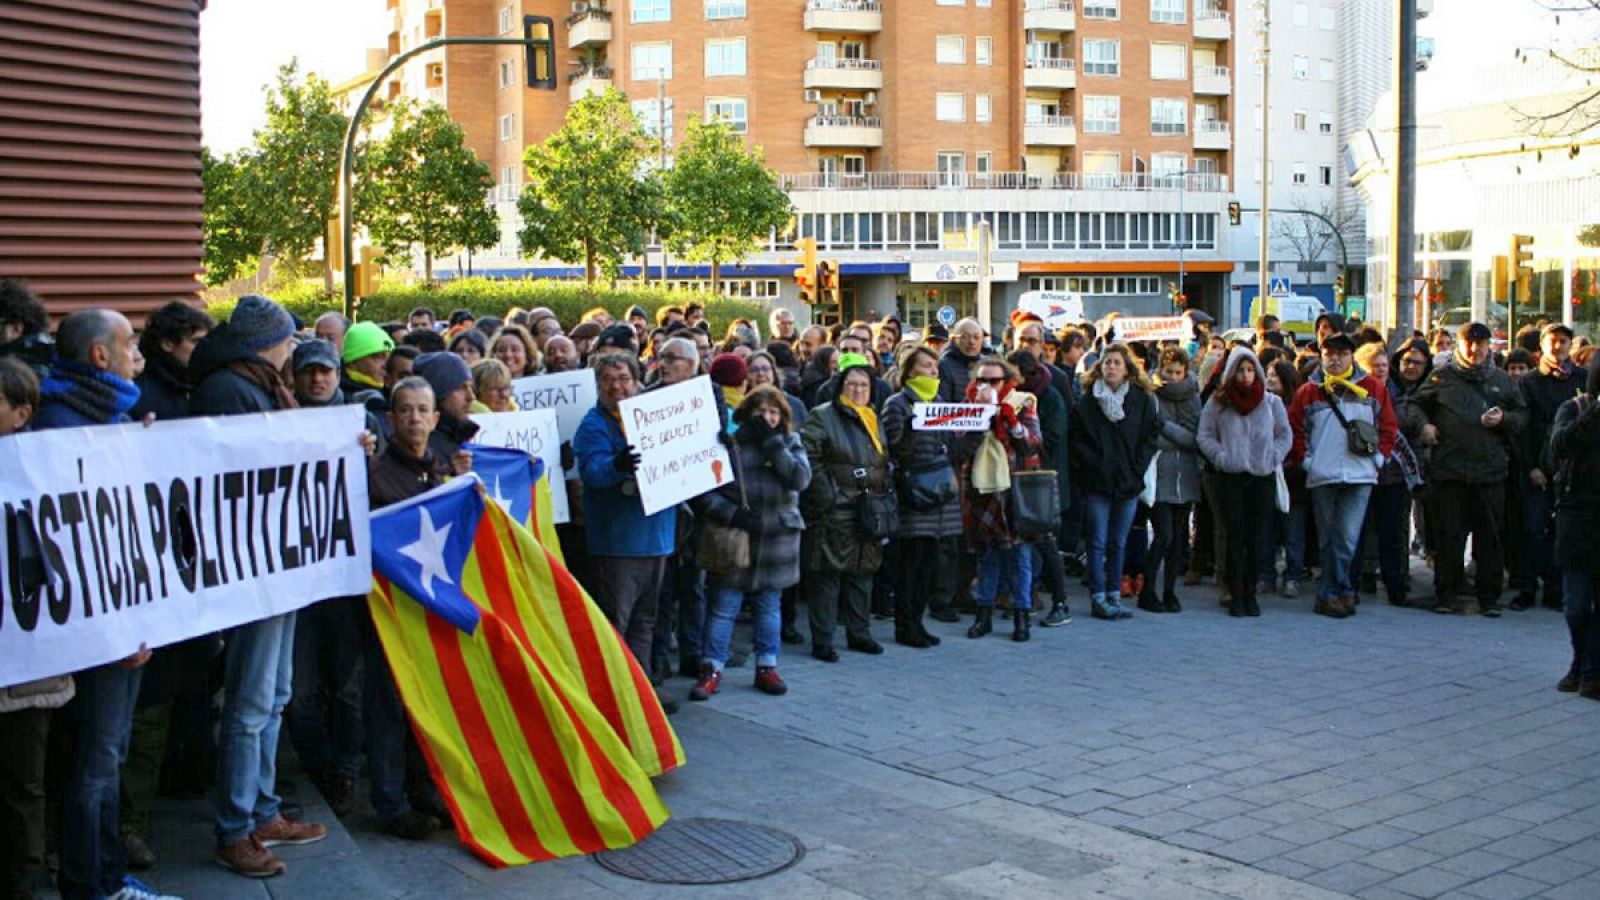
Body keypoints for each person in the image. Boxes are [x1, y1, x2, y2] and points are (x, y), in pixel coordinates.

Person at [33, 312, 179, 900]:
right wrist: (116, 628)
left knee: (105, 759)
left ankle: (108, 876)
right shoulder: (61, 426)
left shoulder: (108, 417)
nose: (136, 353)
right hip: (98, 631)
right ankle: (91, 886)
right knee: (94, 764)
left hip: (121, 624)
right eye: (128, 343)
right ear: (99, 356)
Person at [187, 297, 329, 878]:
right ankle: (236, 827)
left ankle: (263, 809)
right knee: (249, 702)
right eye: (287, 338)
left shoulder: (256, 384)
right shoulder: (231, 390)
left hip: (278, 562)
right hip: (254, 568)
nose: (294, 347)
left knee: (273, 694)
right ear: (265, 341)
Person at [365, 377, 471, 839]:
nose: (413, 418)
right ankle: (391, 804)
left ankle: (425, 790)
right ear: (391, 419)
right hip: (386, 615)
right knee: (387, 708)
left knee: (428, 705)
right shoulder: (371, 473)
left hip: (430, 614)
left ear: (434, 418)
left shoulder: (445, 471)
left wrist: (465, 485)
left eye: (421, 410)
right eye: (404, 410)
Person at [0, 359, 81, 900]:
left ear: (22, 413)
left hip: (28, 670)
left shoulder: (47, 472)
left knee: (22, 783)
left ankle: (24, 877)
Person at [689, 387, 811, 700]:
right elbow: (705, 493)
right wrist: (731, 515)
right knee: (724, 607)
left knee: (769, 607)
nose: (767, 418)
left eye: (774, 413)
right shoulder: (730, 447)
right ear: (747, 414)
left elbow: (800, 479)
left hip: (776, 540)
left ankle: (766, 666)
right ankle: (712, 667)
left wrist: (773, 446)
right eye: (761, 412)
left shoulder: (790, 443)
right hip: (736, 540)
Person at [573, 353, 677, 711]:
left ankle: (642, 690)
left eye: (623, 378)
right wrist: (616, 466)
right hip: (618, 540)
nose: (617, 386)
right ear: (598, 385)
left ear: (636, 381)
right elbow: (592, 471)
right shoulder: (594, 424)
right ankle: (614, 697)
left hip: (657, 534)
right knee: (616, 622)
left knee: (646, 620)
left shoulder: (656, 414)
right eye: (608, 380)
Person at [1414, 323, 1527, 616]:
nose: (1475, 349)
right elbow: (1413, 405)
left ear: (1489, 346)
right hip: (1449, 471)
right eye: (1469, 343)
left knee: (1490, 538)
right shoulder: (1442, 377)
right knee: (1449, 536)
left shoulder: (1501, 380)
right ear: (1458, 345)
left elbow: (1522, 415)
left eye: (1481, 344)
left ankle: (1488, 598)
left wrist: (1504, 418)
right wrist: (1423, 425)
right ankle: (1447, 595)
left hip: (1489, 472)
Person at [1287, 332, 1399, 619]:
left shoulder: (1372, 387)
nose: (1335, 359)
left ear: (1351, 356)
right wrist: (1307, 461)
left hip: (1361, 474)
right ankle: (1338, 591)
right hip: (1323, 473)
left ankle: (1334, 591)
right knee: (1328, 538)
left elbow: (1388, 425)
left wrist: (1379, 458)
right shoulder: (1308, 391)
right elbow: (1295, 429)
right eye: (1329, 354)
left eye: (1341, 353)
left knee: (1347, 537)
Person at [801, 359, 891, 659]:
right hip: (835, 508)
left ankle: (859, 633)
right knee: (828, 575)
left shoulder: (873, 418)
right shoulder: (822, 416)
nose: (858, 389)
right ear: (841, 385)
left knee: (863, 573)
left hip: (869, 509)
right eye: (852, 383)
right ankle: (823, 639)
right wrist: (828, 496)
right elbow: (810, 458)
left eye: (864, 385)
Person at [1197, 348, 1293, 617]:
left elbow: (1285, 435)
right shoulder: (1218, 402)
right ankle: (1234, 592)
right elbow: (1204, 436)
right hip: (1230, 476)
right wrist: (1222, 457)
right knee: (1234, 535)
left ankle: (1251, 593)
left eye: (1250, 370)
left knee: (1257, 537)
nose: (1246, 375)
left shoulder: (1271, 402)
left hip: (1261, 477)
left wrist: (1272, 457)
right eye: (1240, 370)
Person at [1071, 344, 1160, 621]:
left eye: (1116, 363)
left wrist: (1137, 469)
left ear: (1127, 368)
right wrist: (1093, 465)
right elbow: (1077, 441)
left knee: (1118, 542)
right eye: (1107, 362)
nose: (1111, 367)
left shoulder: (1140, 400)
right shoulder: (1087, 402)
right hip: (1097, 482)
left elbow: (1149, 437)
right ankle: (1098, 596)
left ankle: (1114, 594)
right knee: (1097, 541)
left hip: (1128, 482)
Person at [957, 356, 1045, 641]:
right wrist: (979, 418)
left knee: (1020, 556)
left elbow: (1032, 444)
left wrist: (1010, 420)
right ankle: (984, 615)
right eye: (981, 380)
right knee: (987, 554)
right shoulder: (968, 406)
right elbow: (958, 445)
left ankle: (1022, 615)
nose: (986, 386)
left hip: (1013, 487)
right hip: (979, 489)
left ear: (1007, 381)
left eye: (993, 380)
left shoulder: (1023, 402)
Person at [881, 347, 963, 645]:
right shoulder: (898, 403)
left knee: (930, 564)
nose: (933, 371)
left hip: (939, 492)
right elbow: (894, 449)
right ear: (911, 371)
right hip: (914, 493)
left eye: (935, 366)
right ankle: (905, 625)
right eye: (926, 366)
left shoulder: (939, 402)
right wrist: (913, 427)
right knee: (911, 565)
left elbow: (954, 446)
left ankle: (918, 622)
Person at [1007, 348, 1073, 627]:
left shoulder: (1048, 397)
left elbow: (1054, 440)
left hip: (1040, 478)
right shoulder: (1011, 398)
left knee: (1045, 541)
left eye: (1012, 374)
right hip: (1016, 476)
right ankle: (1025, 596)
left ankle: (1060, 602)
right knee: (1021, 542)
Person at [1514, 323, 1578, 611]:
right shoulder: (1529, 381)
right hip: (1537, 466)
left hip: (1570, 469)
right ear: (1542, 344)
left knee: (1561, 531)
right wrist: (1531, 467)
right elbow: (1523, 431)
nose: (1558, 347)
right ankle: (1527, 588)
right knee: (1533, 528)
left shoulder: (1581, 377)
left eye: (1563, 341)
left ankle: (1555, 590)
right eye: (1553, 341)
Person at [1550, 359, 1600, 700]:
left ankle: (1593, 671)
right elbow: (1560, 446)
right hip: (1577, 520)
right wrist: (1595, 413)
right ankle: (1580, 661)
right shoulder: (1575, 408)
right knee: (1576, 606)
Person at [1143, 347, 1203, 613]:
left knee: (1178, 537)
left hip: (1186, 474)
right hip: (1159, 474)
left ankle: (1169, 591)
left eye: (1178, 372)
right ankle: (1147, 590)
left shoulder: (1193, 397)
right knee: (1163, 535)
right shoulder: (1151, 396)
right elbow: (1147, 436)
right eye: (1169, 372)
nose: (1173, 377)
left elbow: (1195, 438)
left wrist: (1166, 426)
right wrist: (1173, 436)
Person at [132, 301, 212, 423]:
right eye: (196, 342)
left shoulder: (203, 382)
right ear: (167, 344)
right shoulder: (139, 394)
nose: (205, 348)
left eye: (207, 341)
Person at [341, 321, 394, 404]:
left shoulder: (392, 391)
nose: (386, 364)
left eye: (390, 356)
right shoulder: (340, 399)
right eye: (377, 357)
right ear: (352, 362)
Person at [938, 318, 985, 401]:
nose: (971, 342)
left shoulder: (988, 364)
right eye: (965, 337)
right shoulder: (943, 365)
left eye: (976, 337)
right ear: (954, 339)